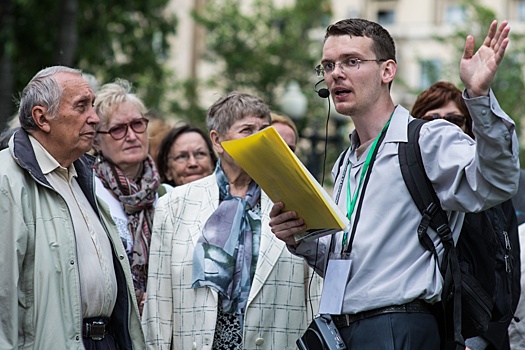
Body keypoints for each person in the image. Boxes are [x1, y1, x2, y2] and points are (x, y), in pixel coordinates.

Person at [269, 18, 519, 350]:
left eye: (351, 61)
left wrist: (479, 96)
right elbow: (351, 260)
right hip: (344, 328)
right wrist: (298, 237)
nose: (335, 74)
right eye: (328, 65)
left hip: (398, 326)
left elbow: (497, 183)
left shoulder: (427, 137)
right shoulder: (347, 161)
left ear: (388, 71)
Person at [142, 91, 321, 349]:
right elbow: (158, 304)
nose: (259, 138)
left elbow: (315, 296)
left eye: (264, 130)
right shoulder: (175, 204)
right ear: (217, 141)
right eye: (247, 130)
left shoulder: (297, 198)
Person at [0, 66, 145, 349]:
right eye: (82, 107)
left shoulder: (84, 175)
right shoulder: (7, 180)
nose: (95, 118)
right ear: (42, 118)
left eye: (93, 106)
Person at [412, 81, 521, 350]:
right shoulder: (406, 184)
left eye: (453, 119)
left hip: (476, 333)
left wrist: (482, 340)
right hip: (418, 332)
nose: (442, 127)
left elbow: (507, 272)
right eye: (430, 120)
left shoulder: (487, 191)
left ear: (468, 126)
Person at [92, 78, 161, 316]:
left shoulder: (167, 196)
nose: (131, 136)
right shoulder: (88, 193)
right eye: (118, 129)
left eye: (138, 124)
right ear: (96, 141)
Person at [156, 123, 217, 188]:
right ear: (167, 171)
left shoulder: (228, 196)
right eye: (181, 157)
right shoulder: (160, 197)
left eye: (200, 154)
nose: (193, 163)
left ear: (212, 163)